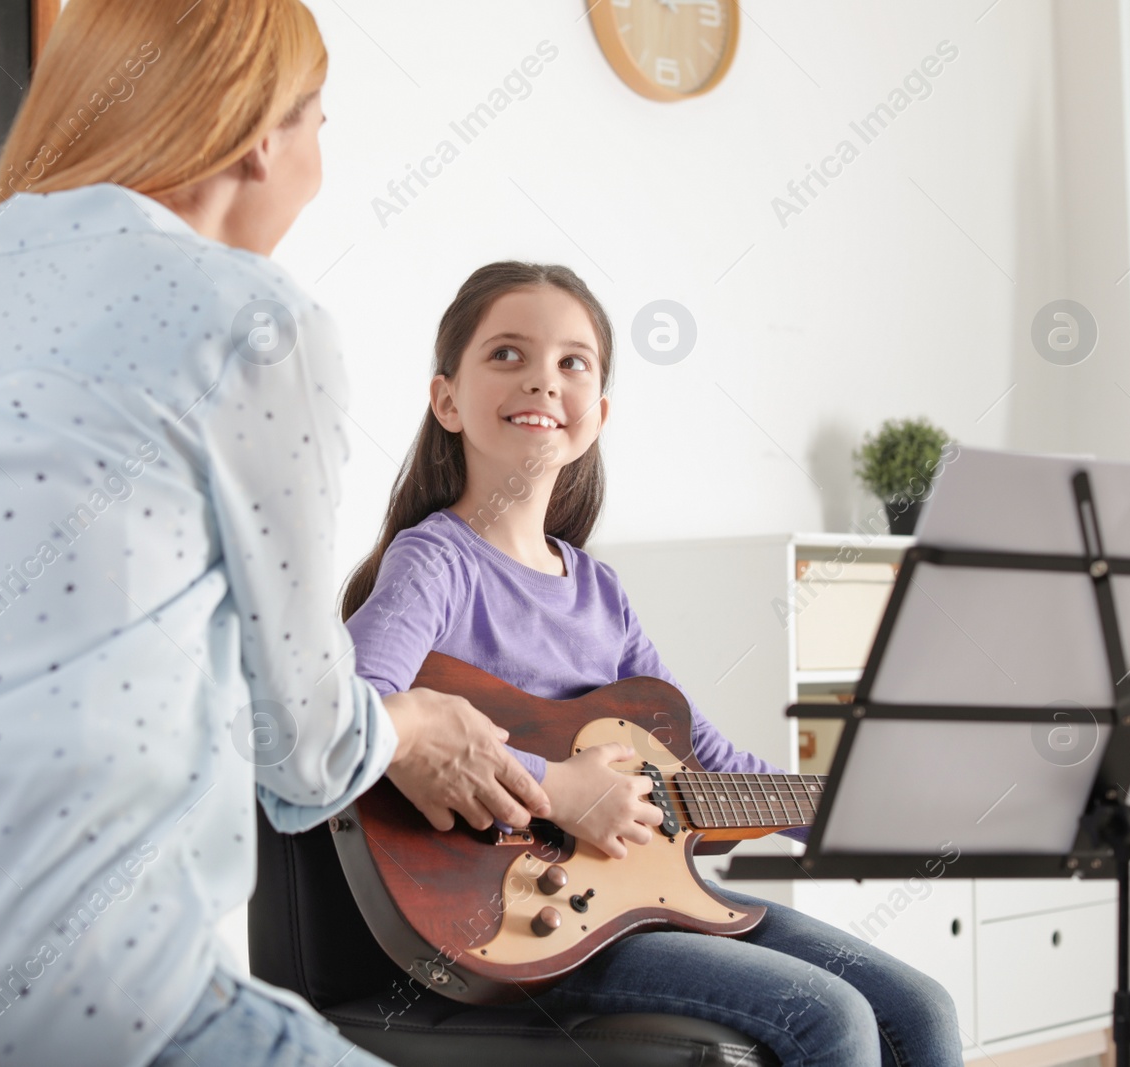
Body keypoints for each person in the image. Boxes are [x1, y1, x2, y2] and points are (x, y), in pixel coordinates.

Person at [0, 3, 546, 1065]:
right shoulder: (249, 318)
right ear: (261, 132)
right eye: (320, 125)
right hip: (107, 1010)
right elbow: (303, 747)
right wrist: (417, 726)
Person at [341, 261, 967, 1066]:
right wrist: (557, 786)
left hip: (641, 893)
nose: (541, 379)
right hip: (518, 915)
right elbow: (351, 712)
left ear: (597, 413)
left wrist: (850, 810)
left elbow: (699, 757)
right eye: (506, 354)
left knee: (921, 1008)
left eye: (573, 362)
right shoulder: (435, 563)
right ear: (447, 399)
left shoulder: (601, 589)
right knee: (831, 1018)